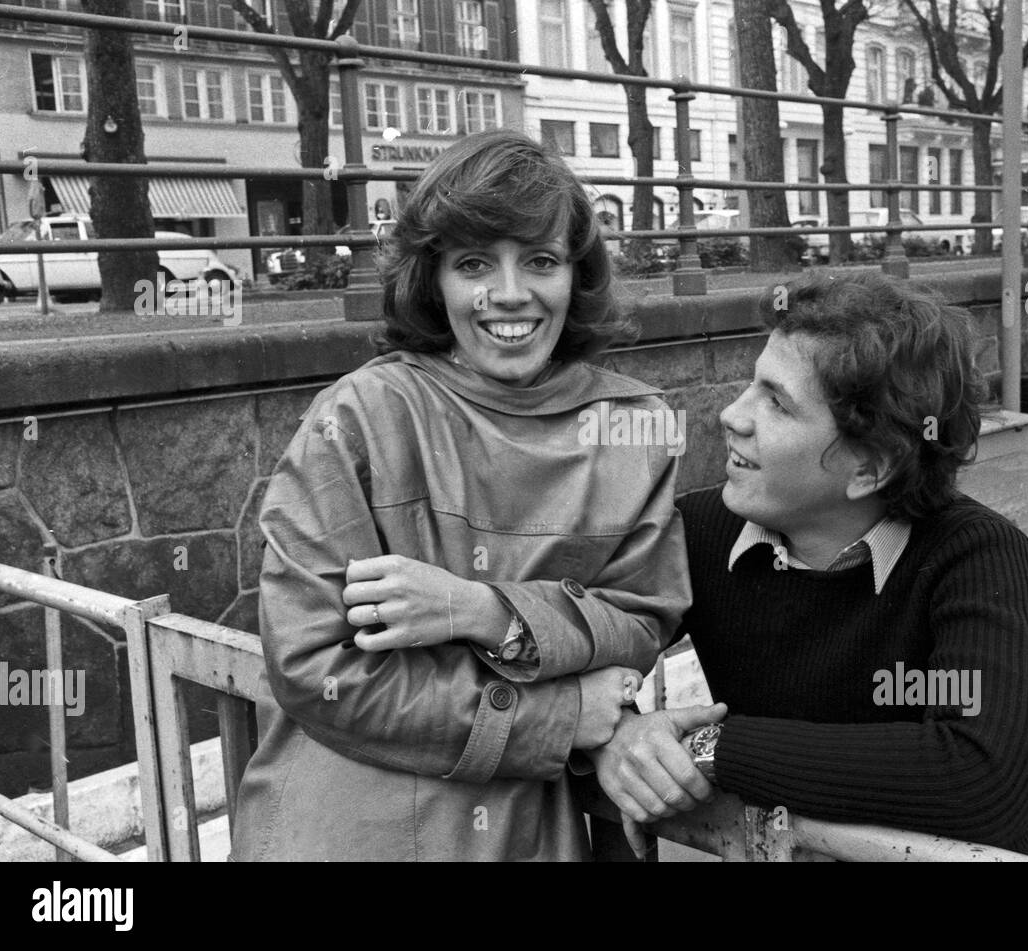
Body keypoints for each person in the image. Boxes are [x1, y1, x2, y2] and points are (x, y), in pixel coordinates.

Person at [231, 130, 692, 861]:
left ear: (577, 272)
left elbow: (643, 622)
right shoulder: (357, 418)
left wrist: (481, 611)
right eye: (475, 263)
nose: (509, 295)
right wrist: (558, 712)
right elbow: (316, 665)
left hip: (520, 831)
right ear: (433, 278)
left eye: (539, 260)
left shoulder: (633, 425)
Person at [590, 272, 1028, 860]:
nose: (732, 416)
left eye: (777, 403)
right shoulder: (699, 531)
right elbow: (582, 657)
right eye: (751, 386)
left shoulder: (978, 557)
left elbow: (981, 775)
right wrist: (619, 737)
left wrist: (712, 747)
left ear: (870, 467)